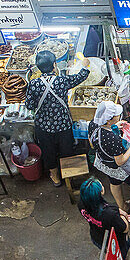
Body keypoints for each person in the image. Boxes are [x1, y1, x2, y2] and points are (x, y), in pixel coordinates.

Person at [25, 50, 89, 187]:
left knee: (48, 153)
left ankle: (55, 177)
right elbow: (80, 77)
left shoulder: (33, 84)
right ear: (54, 65)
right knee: (67, 150)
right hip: (63, 125)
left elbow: (29, 105)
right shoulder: (61, 81)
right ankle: (69, 176)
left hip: (43, 127)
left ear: (38, 67)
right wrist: (85, 66)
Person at [88, 101, 130, 222]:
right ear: (108, 120)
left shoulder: (93, 124)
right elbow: (120, 161)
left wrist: (115, 126)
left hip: (104, 163)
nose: (118, 115)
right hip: (118, 167)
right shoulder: (113, 139)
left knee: (115, 182)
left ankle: (122, 207)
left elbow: (92, 143)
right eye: (116, 115)